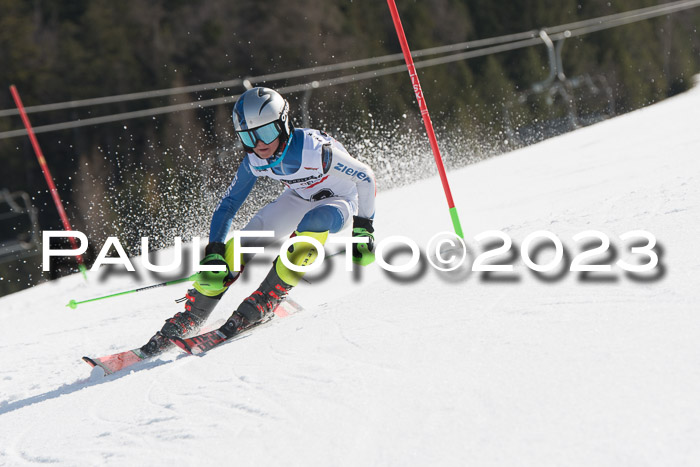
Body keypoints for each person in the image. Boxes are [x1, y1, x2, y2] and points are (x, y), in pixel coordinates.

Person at [140, 87, 377, 356]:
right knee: (245, 240)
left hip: (341, 201)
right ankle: (192, 315)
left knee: (314, 221)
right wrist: (215, 252)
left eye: (265, 133)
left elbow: (366, 177)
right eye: (248, 137)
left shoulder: (314, 151)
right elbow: (228, 205)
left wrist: (363, 230)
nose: (259, 144)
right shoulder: (254, 159)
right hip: (299, 196)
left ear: (283, 124)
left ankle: (268, 297)